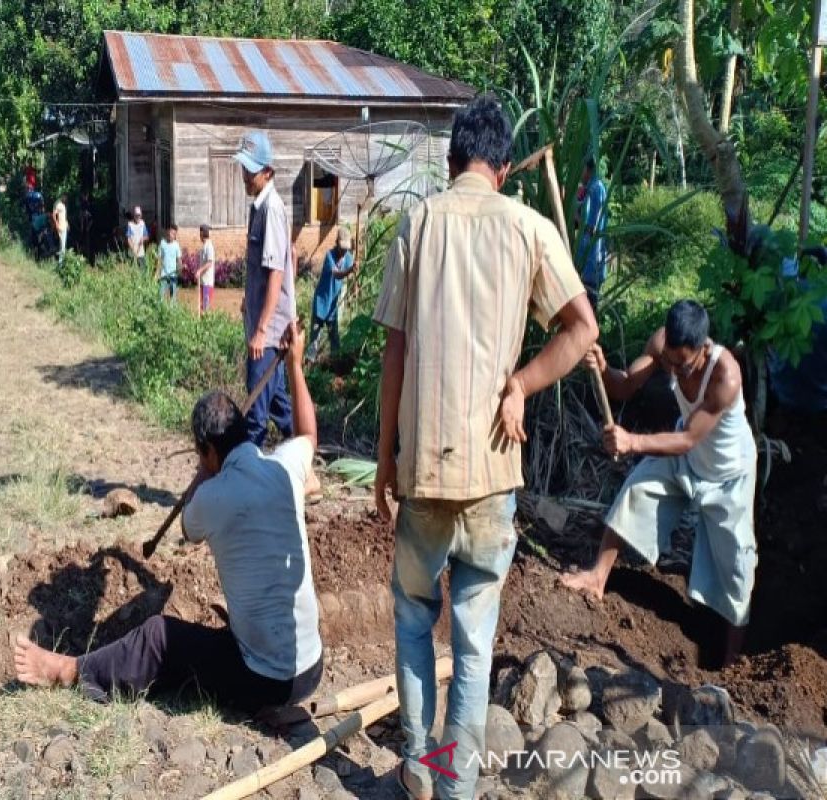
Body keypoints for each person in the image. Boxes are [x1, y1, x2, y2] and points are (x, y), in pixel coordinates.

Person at [372, 94, 597, 800]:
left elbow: (395, 354)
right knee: (473, 641)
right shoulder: (528, 228)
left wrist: (385, 458)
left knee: (413, 615)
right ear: (503, 166)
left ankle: (416, 765)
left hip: (427, 470)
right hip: (494, 469)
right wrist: (522, 384)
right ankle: (455, 786)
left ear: (451, 161)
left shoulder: (417, 224)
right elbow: (581, 327)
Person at [12, 322, 323, 714]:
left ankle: (70, 671)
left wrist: (208, 475)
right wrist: (295, 364)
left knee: (158, 635)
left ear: (207, 451)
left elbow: (189, 530)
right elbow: (308, 434)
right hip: (312, 667)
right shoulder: (285, 465)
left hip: (267, 681)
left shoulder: (211, 498)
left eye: (200, 453)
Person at [561, 300, 757, 667]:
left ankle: (732, 661)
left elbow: (689, 439)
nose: (675, 371)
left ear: (703, 349)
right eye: (669, 360)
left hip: (729, 473)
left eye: (683, 365)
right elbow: (623, 387)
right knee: (636, 491)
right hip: (686, 457)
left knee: (737, 566)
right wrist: (603, 369)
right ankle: (597, 577)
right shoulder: (663, 346)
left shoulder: (725, 376)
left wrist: (632, 442)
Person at [235, 130, 295, 446]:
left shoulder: (271, 209)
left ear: (268, 172)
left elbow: (276, 273)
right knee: (278, 403)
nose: (245, 176)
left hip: (268, 333)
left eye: (251, 170)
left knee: (256, 415)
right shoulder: (257, 207)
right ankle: (304, 450)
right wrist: (249, 298)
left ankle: (251, 483)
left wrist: (261, 329)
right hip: (266, 324)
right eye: (243, 168)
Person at [307, 228, 355, 361]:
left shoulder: (348, 258)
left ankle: (336, 365)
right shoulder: (329, 256)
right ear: (336, 244)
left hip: (333, 306)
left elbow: (351, 276)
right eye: (342, 248)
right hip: (321, 303)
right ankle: (310, 366)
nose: (344, 252)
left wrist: (354, 278)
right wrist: (349, 270)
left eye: (346, 249)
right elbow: (337, 275)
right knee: (314, 339)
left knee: (334, 339)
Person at [578, 157, 609, 307]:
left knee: (588, 307)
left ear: (588, 169)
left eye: (582, 169)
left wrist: (573, 213)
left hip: (590, 261)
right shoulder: (596, 187)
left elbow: (591, 227)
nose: (580, 173)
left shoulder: (594, 189)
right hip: (593, 262)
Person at [157, 225, 182, 305]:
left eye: (174, 234)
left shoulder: (176, 245)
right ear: (167, 232)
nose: (171, 235)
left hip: (173, 275)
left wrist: (180, 269)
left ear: (175, 236)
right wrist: (157, 273)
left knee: (173, 298)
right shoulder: (162, 243)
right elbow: (159, 259)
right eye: (170, 233)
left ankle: (172, 313)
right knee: (161, 296)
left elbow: (179, 260)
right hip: (163, 275)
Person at [196, 224, 216, 317]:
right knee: (202, 305)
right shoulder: (204, 246)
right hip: (203, 281)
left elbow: (210, 262)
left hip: (207, 282)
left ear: (202, 234)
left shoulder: (209, 246)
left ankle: (206, 326)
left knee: (206, 306)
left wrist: (200, 271)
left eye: (200, 232)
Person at [52, 193, 69, 263]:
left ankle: (61, 262)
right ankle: (60, 264)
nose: (66, 199)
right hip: (61, 227)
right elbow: (54, 214)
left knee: (62, 245)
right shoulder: (58, 204)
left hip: (64, 226)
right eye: (65, 197)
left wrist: (67, 223)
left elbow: (63, 216)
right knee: (62, 247)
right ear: (62, 196)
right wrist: (56, 224)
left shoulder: (62, 204)